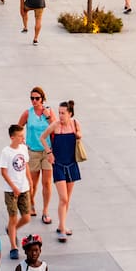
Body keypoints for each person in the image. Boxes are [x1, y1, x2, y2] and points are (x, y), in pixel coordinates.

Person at [42, 101, 81, 241]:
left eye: (63, 113)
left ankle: (61, 224)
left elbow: (80, 135)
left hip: (71, 163)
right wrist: (48, 152)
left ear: (70, 114)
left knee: (67, 199)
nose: (60, 115)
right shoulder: (55, 125)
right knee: (63, 198)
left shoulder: (75, 124)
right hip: (58, 164)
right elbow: (42, 138)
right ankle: (62, 230)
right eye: (59, 112)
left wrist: (78, 135)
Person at [16, 89, 54, 226]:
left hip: (47, 151)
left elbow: (55, 127)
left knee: (47, 182)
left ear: (43, 99)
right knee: (32, 182)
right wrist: (22, 142)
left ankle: (45, 211)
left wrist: (48, 116)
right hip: (33, 152)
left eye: (37, 98)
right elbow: (18, 127)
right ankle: (31, 204)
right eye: (32, 98)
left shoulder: (48, 112)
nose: (34, 101)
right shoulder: (28, 113)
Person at [0, 124, 31, 261]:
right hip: (11, 190)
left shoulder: (23, 149)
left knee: (26, 217)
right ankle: (13, 247)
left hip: (24, 187)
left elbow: (26, 165)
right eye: (20, 136)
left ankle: (11, 229)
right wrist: (13, 187)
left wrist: (30, 181)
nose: (22, 138)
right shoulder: (6, 152)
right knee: (13, 217)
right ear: (12, 137)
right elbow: (3, 171)